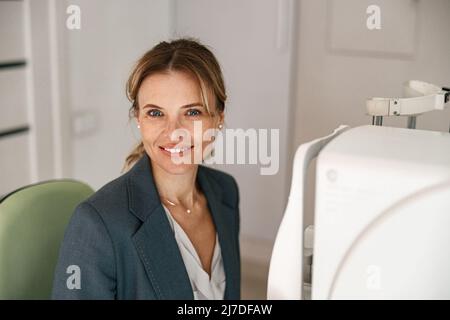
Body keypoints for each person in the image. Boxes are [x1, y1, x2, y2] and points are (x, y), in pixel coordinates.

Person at [52, 38, 240, 299]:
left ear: (218, 118)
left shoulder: (225, 192)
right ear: (138, 118)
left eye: (193, 112)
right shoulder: (98, 224)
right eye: (155, 113)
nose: (174, 132)